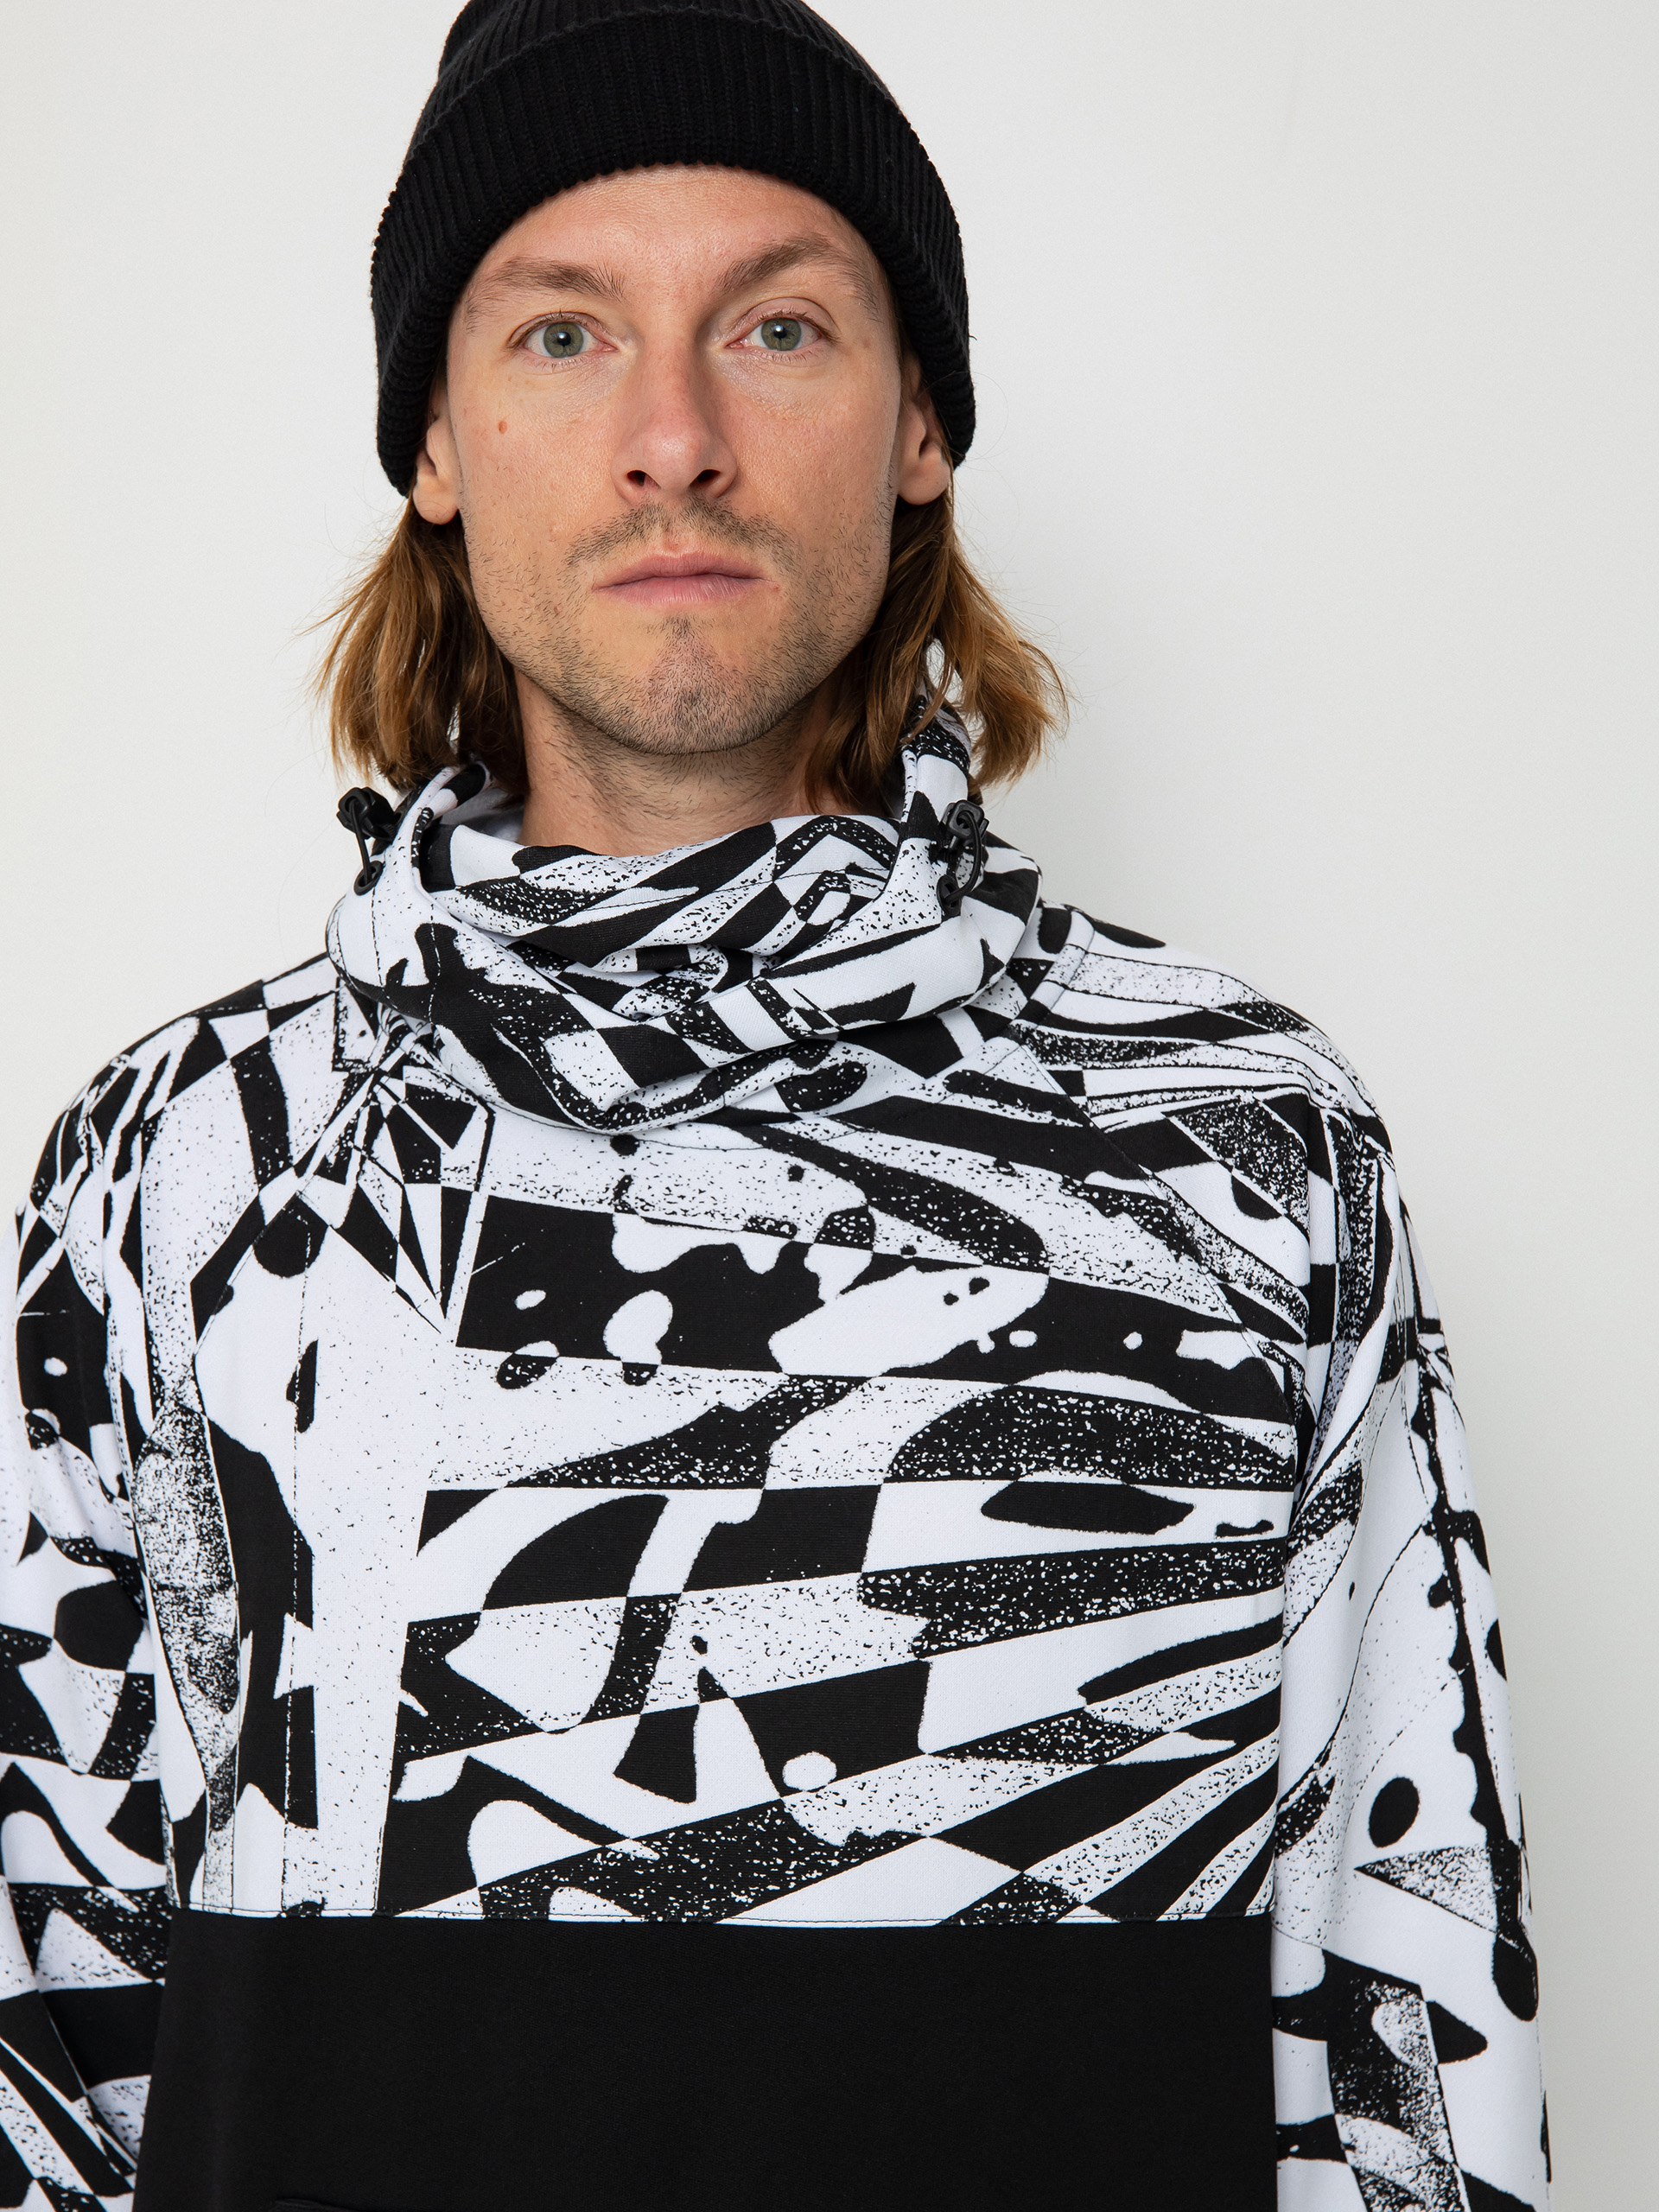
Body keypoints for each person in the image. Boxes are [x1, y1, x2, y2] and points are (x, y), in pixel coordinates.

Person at [0, 2, 1548, 2206]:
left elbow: (1415, 2025)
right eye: (562, 334)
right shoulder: (178, 1173)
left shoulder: (1247, 1146)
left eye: (778, 328)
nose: (674, 440)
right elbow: (49, 2050)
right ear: (433, 439)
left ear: (919, 420)